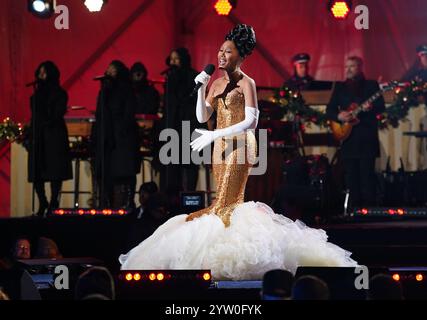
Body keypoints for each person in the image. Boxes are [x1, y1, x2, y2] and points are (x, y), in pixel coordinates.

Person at [119, 24, 357, 280]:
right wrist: (201, 88)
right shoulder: (216, 82)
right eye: (220, 50)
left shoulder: (247, 83)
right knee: (223, 203)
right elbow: (203, 115)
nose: (221, 55)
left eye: (228, 51)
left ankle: (225, 259)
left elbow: (251, 122)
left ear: (241, 55)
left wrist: (214, 134)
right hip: (219, 145)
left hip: (240, 144)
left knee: (225, 204)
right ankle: (221, 250)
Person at [326, 56, 385, 208]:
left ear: (360, 67)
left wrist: (370, 108)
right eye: (347, 66)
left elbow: (381, 107)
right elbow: (330, 110)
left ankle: (369, 210)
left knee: (367, 175)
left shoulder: (371, 85)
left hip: (366, 136)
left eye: (352, 66)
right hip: (348, 138)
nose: (348, 69)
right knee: (351, 176)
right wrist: (339, 115)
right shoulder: (340, 87)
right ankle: (354, 208)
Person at [91, 60, 140, 209]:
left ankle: (128, 200)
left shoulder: (126, 89)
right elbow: (100, 113)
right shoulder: (105, 91)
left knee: (124, 169)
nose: (109, 72)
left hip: (122, 137)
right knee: (105, 171)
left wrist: (122, 129)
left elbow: (129, 113)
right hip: (107, 136)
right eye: (108, 69)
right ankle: (106, 202)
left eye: (113, 69)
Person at [27, 61, 72, 217]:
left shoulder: (60, 93)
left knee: (54, 172)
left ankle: (53, 202)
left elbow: (56, 113)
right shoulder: (36, 95)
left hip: (54, 137)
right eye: (39, 72)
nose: (41, 75)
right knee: (36, 172)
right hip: (39, 137)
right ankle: (43, 201)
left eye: (44, 72)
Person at [161, 48, 205, 192]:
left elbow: (198, 102)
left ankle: (189, 197)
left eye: (176, 59)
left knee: (190, 164)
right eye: (171, 59)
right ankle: (174, 199)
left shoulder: (194, 76)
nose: (172, 62)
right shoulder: (170, 78)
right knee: (174, 164)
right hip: (174, 127)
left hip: (190, 125)